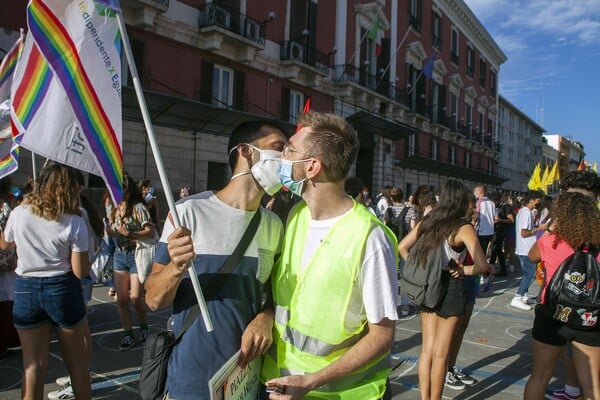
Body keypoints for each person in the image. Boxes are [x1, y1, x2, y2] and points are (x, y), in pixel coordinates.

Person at [145, 120, 287, 399]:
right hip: (191, 376)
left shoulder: (274, 225)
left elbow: (272, 291)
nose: (286, 159)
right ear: (246, 152)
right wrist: (175, 267)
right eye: (278, 148)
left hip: (245, 375)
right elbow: (153, 300)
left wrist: (266, 316)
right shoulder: (188, 212)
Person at [261, 112, 398, 400]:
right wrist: (263, 317)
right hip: (283, 385)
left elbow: (382, 336)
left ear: (311, 167)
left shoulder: (370, 238)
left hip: (338, 394)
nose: (282, 156)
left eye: (289, 150)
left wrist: (313, 380)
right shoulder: (297, 215)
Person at [1, 163, 91, 400]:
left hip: (26, 290)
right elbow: (80, 271)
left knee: (33, 367)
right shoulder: (75, 221)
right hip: (62, 290)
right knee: (77, 364)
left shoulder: (19, 213)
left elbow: (5, 244)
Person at [398, 180, 490, 400]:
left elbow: (402, 246)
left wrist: (417, 268)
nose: (473, 206)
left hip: (428, 285)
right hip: (450, 286)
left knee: (427, 350)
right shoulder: (463, 227)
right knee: (441, 354)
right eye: (470, 201)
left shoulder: (429, 221)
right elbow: (483, 266)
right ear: (460, 202)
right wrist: (465, 270)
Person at [524, 192, 600, 400]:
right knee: (592, 384)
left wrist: (549, 229)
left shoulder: (551, 241)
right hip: (590, 316)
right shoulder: (597, 245)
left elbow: (532, 257)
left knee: (539, 376)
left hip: (552, 312)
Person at [105, 174, 157, 350]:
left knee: (135, 298)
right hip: (120, 254)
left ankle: (143, 329)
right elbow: (113, 231)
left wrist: (130, 234)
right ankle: (128, 334)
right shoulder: (115, 208)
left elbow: (150, 231)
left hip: (136, 254)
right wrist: (111, 231)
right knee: (121, 299)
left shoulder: (138, 207)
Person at [511, 190, 547, 311]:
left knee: (528, 273)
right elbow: (524, 233)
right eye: (538, 200)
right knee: (530, 275)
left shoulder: (524, 211)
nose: (539, 203)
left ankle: (524, 295)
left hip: (525, 248)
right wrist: (539, 229)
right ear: (532, 200)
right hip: (526, 249)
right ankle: (518, 296)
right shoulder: (526, 212)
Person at [0, 177, 19, 360]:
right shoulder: (7, 211)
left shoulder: (7, 211)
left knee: (6, 303)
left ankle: (7, 340)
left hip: (5, 262)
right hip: (5, 260)